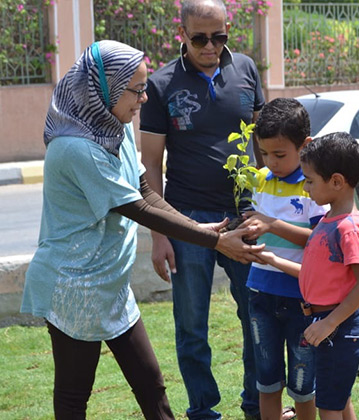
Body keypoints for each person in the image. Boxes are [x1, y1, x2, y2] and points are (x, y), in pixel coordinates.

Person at [20, 40, 262, 420]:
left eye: (145, 87)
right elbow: (134, 208)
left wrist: (195, 226)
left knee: (152, 388)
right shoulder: (74, 148)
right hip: (73, 286)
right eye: (136, 89)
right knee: (73, 397)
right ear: (107, 89)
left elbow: (145, 190)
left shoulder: (117, 129)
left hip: (110, 284)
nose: (145, 98)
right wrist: (213, 239)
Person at [138, 0, 265, 418]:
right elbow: (151, 165)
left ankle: (255, 403)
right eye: (199, 38)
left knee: (256, 316)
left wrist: (270, 207)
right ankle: (203, 410)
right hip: (186, 219)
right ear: (183, 34)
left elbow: (264, 147)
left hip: (245, 215)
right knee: (192, 325)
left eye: (219, 37)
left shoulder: (246, 70)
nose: (210, 46)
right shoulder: (160, 85)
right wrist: (160, 236)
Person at [256, 132, 359, 420]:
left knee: (330, 408)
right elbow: (314, 275)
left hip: (338, 328)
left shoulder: (347, 227)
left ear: (336, 181)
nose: (306, 187)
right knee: (338, 398)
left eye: (309, 181)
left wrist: (328, 324)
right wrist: (273, 260)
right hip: (326, 325)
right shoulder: (328, 220)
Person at [238, 98, 328, 420]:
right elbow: (256, 227)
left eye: (279, 154)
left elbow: (320, 241)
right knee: (266, 378)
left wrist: (272, 224)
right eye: (264, 153)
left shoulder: (312, 187)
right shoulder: (258, 180)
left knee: (304, 381)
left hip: (301, 298)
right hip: (260, 292)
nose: (270, 162)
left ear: (305, 145)